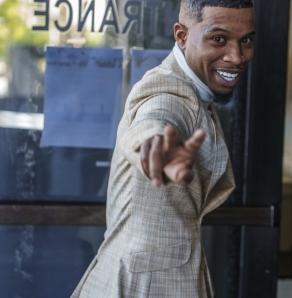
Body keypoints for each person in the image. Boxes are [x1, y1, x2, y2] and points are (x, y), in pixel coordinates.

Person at [71, 0, 255, 297]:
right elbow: (152, 121)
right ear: (181, 36)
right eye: (218, 39)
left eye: (245, 40)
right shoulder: (167, 92)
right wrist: (155, 148)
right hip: (141, 287)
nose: (237, 56)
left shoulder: (196, 90)